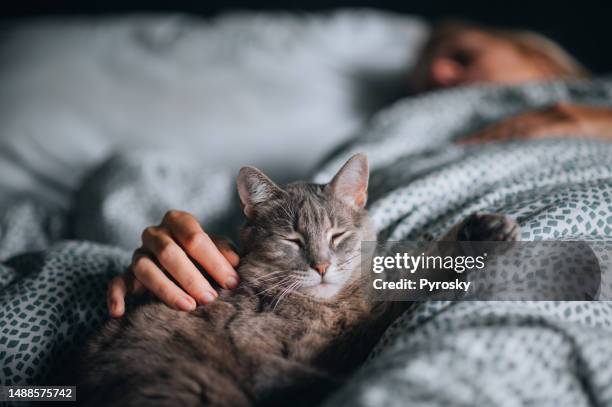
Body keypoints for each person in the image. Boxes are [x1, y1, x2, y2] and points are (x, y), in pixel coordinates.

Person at [107, 21, 612, 317]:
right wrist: (195, 252)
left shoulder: (597, 99)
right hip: (386, 284)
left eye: (462, 56)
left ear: (542, 63)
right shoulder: (383, 136)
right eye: (422, 78)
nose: (439, 74)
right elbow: (129, 178)